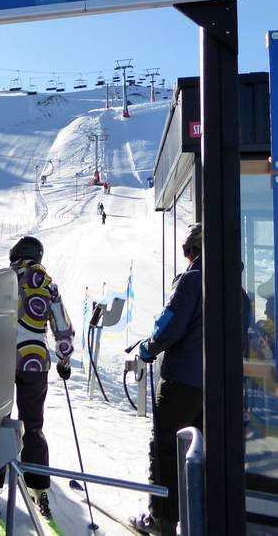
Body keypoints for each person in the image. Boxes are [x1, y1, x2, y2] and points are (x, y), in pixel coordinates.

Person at [130, 223, 205, 536]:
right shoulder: (235, 286)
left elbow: (169, 325)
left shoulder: (192, 280)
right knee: (200, 450)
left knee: (165, 447)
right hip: (214, 387)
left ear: (192, 251)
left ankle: (161, 519)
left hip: (180, 383)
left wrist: (147, 348)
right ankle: (200, 515)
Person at [0, 236, 75, 528]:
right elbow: (63, 328)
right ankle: (38, 487)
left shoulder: (4, 280)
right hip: (35, 361)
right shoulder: (48, 285)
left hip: (2, 360)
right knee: (33, 425)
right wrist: (64, 361)